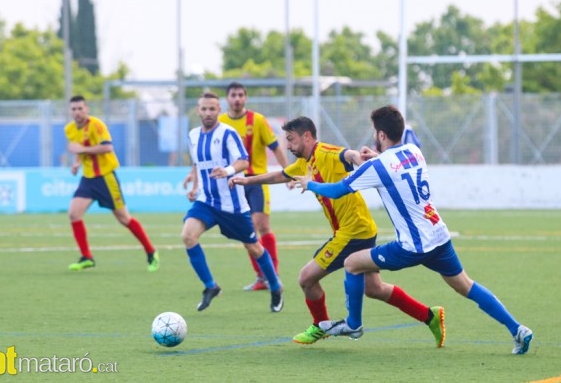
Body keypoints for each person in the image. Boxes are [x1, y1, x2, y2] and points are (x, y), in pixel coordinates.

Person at [294, 105, 533, 355]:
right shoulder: (413, 150)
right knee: (466, 285)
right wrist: (376, 156)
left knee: (352, 263)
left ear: (382, 135)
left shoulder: (377, 167)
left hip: (412, 245)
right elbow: (392, 165)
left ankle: (353, 325)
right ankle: (517, 330)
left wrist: (309, 184)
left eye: (375, 132)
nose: (374, 136)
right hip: (438, 235)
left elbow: (337, 190)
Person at [230, 116, 445, 346]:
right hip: (360, 228)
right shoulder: (304, 162)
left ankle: (320, 325)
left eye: (291, 140)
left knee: (306, 278)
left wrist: (357, 157)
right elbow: (281, 175)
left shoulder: (324, 152)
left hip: (352, 232)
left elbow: (346, 155)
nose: (289, 146)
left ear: (307, 136)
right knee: (374, 288)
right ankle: (429, 316)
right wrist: (247, 181)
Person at [181, 91, 283, 313]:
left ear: (219, 110)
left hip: (233, 206)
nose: (208, 113)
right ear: (198, 111)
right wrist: (196, 186)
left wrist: (227, 171)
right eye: (204, 109)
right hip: (206, 202)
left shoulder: (228, 133)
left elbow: (244, 161)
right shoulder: (193, 135)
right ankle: (211, 286)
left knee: (254, 247)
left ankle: (275, 286)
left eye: (212, 109)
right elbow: (199, 163)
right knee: (188, 236)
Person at [64, 95, 159, 272]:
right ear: (70, 111)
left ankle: (151, 252)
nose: (77, 112)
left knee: (124, 218)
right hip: (88, 178)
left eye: (80, 108)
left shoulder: (96, 125)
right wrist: (77, 163)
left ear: (87, 109)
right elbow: (79, 147)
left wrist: (82, 150)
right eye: (74, 109)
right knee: (74, 214)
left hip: (106, 177)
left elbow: (107, 147)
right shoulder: (69, 129)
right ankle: (87, 257)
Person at [219, 82, 289, 291]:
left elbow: (276, 148)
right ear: (227, 98)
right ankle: (262, 277)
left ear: (246, 98)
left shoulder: (257, 120)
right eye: (233, 95)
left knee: (262, 225)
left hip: (256, 180)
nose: (237, 99)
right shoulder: (221, 122)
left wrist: (289, 174)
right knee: (246, 231)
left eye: (241, 95)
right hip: (234, 182)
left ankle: (272, 275)